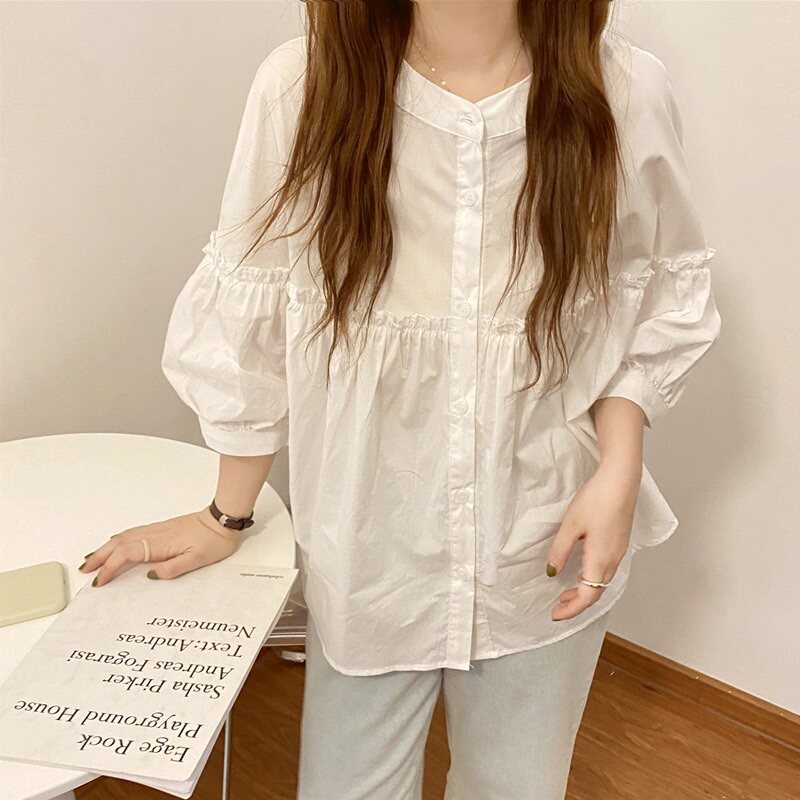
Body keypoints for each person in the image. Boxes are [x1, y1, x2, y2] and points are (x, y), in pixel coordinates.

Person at [79, 1, 722, 797]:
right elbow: (258, 314)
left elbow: (645, 295)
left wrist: (619, 469)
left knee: (515, 787)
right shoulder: (304, 89)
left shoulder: (623, 92)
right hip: (371, 549)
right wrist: (225, 516)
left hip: (547, 536)